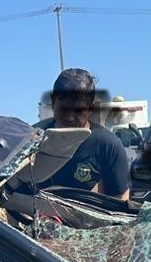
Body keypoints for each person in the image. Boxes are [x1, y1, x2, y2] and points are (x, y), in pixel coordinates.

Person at [34, 68, 130, 200]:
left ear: (91, 107)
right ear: (53, 102)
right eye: (64, 108)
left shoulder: (107, 145)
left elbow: (120, 199)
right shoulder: (33, 139)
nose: (70, 117)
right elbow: (14, 194)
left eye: (78, 110)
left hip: (87, 219)